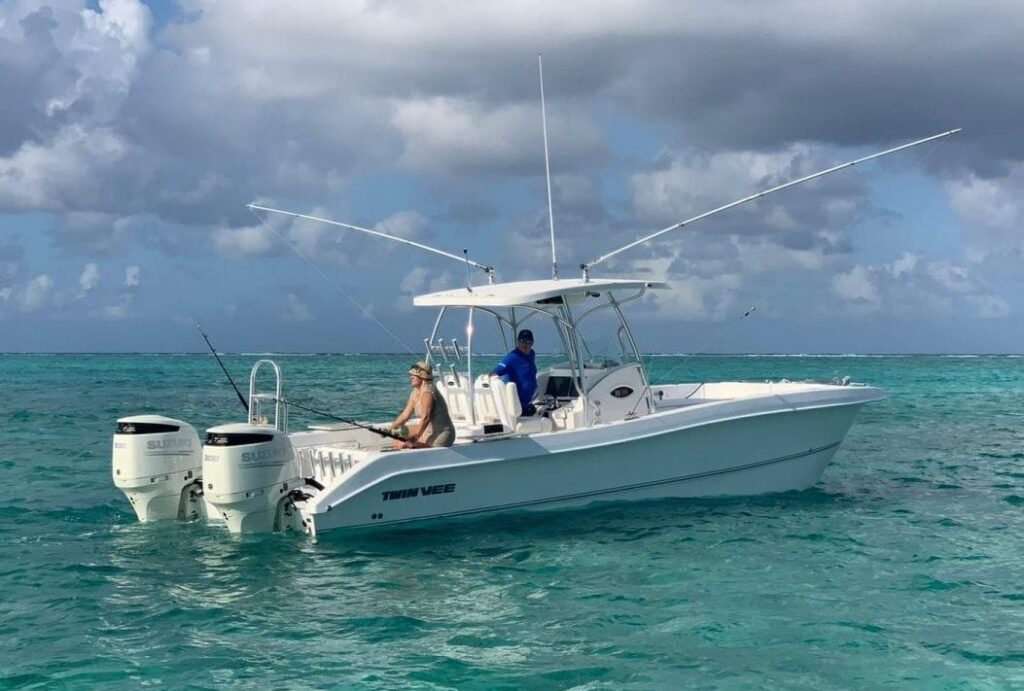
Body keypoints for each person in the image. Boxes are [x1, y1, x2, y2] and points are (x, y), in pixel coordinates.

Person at [391, 361, 455, 448]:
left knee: (403, 445)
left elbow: (426, 418)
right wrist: (392, 428)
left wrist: (415, 438)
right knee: (397, 441)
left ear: (422, 377)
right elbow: (405, 415)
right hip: (427, 432)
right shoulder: (415, 393)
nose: (411, 377)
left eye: (414, 376)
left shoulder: (427, 392)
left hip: (441, 434)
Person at [491, 328, 538, 415]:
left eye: (528, 341)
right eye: (522, 340)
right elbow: (496, 371)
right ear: (518, 341)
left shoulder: (532, 354)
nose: (525, 344)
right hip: (517, 407)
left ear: (532, 342)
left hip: (527, 404)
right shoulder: (512, 357)